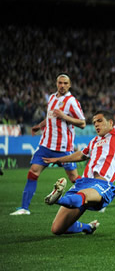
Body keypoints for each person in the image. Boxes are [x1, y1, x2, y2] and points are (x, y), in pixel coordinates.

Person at [41, 52, 115, 235]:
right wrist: (59, 159)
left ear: (111, 122)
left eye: (99, 121)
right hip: (82, 183)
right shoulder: (94, 141)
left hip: (101, 184)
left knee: (83, 197)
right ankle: (88, 227)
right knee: (56, 229)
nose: (96, 125)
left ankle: (58, 198)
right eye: (94, 122)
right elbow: (80, 155)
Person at [10, 74, 86, 216]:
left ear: (69, 85)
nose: (62, 85)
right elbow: (50, 117)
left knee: (74, 178)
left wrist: (64, 116)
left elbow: (82, 123)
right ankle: (24, 208)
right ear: (56, 83)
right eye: (60, 83)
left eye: (65, 83)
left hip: (64, 148)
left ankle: (92, 199)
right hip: (45, 145)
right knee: (33, 172)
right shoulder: (51, 98)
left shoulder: (71, 101)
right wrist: (39, 126)